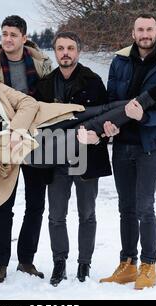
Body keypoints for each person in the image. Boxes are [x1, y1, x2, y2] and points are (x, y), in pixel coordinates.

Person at [0, 62, 156, 285]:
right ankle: (153, 99)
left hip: (37, 124)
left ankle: (154, 100)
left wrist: (16, 130)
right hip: (30, 148)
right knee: (89, 128)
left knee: (96, 110)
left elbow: (28, 103)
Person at [99, 13, 156, 290]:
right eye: (140, 29)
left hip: (150, 147)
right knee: (125, 208)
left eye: (150, 29)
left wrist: (144, 119)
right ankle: (128, 264)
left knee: (144, 207)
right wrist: (110, 125)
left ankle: (149, 265)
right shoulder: (119, 61)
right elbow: (111, 101)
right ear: (133, 33)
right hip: (122, 144)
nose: (145, 34)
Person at [34, 31, 112, 286]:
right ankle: (59, 263)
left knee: (87, 214)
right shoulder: (45, 84)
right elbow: (36, 121)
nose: (65, 53)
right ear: (55, 52)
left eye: (70, 48)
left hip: (86, 158)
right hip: (55, 159)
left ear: (78, 51)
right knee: (56, 215)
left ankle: (84, 264)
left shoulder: (93, 81)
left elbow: (107, 118)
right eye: (60, 48)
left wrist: (98, 136)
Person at [0, 15, 52, 280]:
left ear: (24, 37)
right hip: (4, 142)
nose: (7, 39)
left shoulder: (41, 64)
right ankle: (0, 264)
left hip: (35, 141)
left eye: (13, 34)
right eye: (4, 34)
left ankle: (26, 260)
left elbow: (48, 100)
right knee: (3, 204)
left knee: (35, 204)